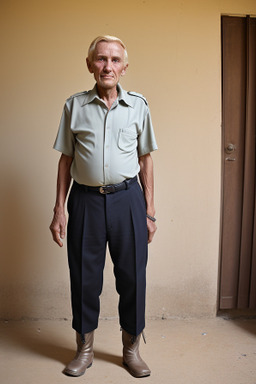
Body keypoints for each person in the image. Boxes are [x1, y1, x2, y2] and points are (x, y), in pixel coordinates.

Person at [49, 35, 158, 378]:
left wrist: (149, 211)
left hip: (128, 200)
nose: (107, 66)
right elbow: (65, 161)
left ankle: (130, 350)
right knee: (84, 277)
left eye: (114, 60)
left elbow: (145, 159)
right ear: (89, 65)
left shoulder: (139, 106)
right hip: (85, 201)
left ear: (124, 67)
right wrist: (58, 210)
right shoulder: (74, 106)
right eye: (100, 59)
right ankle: (84, 350)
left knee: (133, 277)